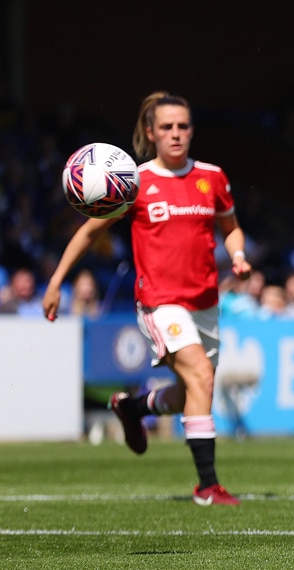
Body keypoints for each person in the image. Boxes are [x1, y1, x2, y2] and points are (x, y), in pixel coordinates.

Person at [42, 91, 252, 506]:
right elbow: (89, 231)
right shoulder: (132, 182)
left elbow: (231, 227)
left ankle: (135, 408)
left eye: (183, 126)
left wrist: (239, 256)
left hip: (205, 302)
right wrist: (56, 280)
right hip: (159, 302)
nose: (176, 134)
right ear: (150, 132)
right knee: (200, 376)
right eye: (167, 127)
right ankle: (207, 486)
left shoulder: (212, 177)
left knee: (190, 392)